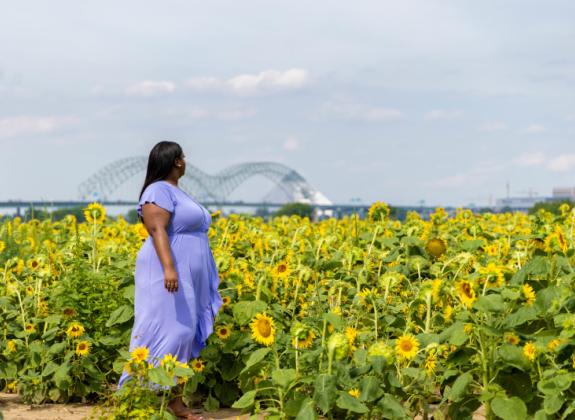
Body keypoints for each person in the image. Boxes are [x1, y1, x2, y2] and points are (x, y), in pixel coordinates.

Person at [117, 141, 223, 420]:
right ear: (176, 161)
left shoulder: (176, 191)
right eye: (183, 157)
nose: (186, 161)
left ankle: (175, 403)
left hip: (187, 275)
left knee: (184, 335)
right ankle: (133, 394)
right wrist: (169, 268)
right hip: (168, 272)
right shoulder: (157, 190)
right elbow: (157, 229)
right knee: (171, 331)